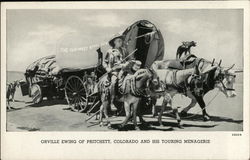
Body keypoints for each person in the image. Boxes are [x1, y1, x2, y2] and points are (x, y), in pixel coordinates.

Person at [103, 33, 128, 111]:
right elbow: (104, 62)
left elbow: (128, 60)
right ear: (114, 42)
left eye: (121, 40)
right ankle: (112, 102)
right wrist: (107, 68)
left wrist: (127, 63)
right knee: (114, 82)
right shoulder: (110, 51)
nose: (121, 42)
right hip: (115, 71)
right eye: (119, 41)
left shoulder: (124, 50)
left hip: (124, 70)